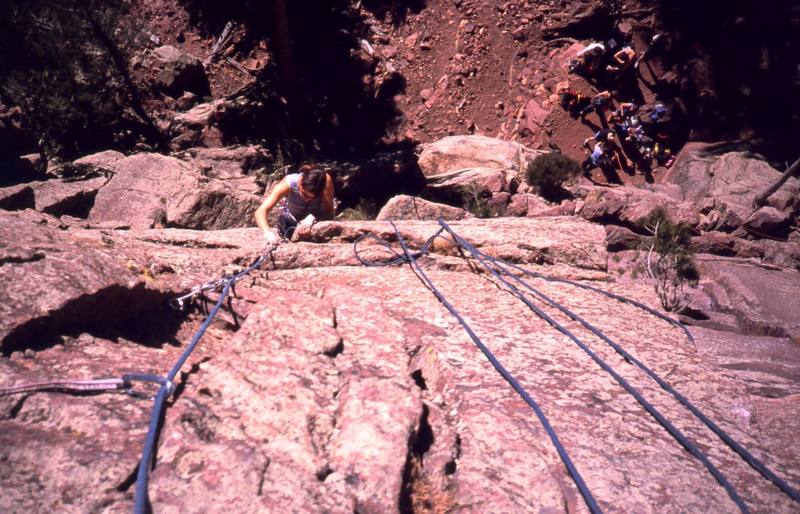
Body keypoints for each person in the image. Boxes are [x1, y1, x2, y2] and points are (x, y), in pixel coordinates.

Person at [255, 165, 335, 243]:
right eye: (304, 195)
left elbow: (330, 213)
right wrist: (267, 233)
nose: (307, 200)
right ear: (300, 183)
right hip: (290, 222)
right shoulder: (289, 183)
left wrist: (312, 218)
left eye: (313, 198)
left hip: (315, 223)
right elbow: (261, 211)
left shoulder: (325, 183)